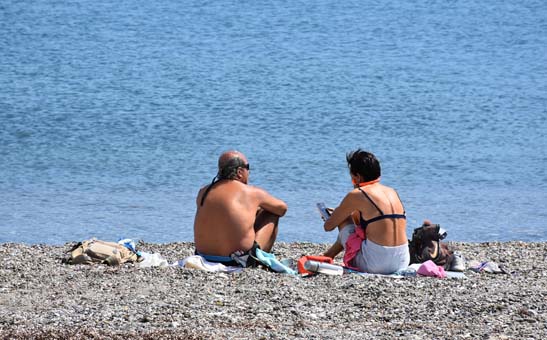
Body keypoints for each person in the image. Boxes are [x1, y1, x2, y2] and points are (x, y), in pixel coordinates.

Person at [193, 150, 288, 266]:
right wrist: (259, 207)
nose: (249, 171)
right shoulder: (251, 192)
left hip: (204, 256)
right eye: (248, 167)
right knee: (271, 213)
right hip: (236, 260)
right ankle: (259, 259)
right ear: (239, 172)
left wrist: (253, 210)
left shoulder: (204, 191)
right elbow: (282, 208)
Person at [322, 149, 410, 274]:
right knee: (356, 222)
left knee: (344, 220)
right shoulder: (392, 192)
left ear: (357, 177)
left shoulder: (357, 194)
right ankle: (328, 255)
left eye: (352, 179)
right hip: (402, 262)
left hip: (376, 265)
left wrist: (336, 215)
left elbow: (328, 226)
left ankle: (328, 256)